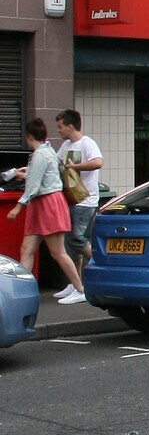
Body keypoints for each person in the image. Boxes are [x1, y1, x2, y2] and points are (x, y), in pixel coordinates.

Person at [5, 118, 85, 303]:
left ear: (29, 136)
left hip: (46, 204)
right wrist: (23, 173)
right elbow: (43, 176)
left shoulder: (40, 154)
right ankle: (23, 291)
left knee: (57, 252)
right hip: (44, 205)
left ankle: (80, 289)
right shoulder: (47, 151)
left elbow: (34, 185)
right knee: (27, 249)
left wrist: (18, 207)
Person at [55, 108, 102, 292]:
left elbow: (98, 162)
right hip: (71, 199)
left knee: (76, 238)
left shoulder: (87, 143)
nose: (58, 130)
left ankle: (99, 259)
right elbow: (56, 161)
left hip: (85, 200)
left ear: (70, 126)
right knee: (70, 242)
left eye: (60, 127)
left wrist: (75, 166)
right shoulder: (66, 146)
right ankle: (76, 284)